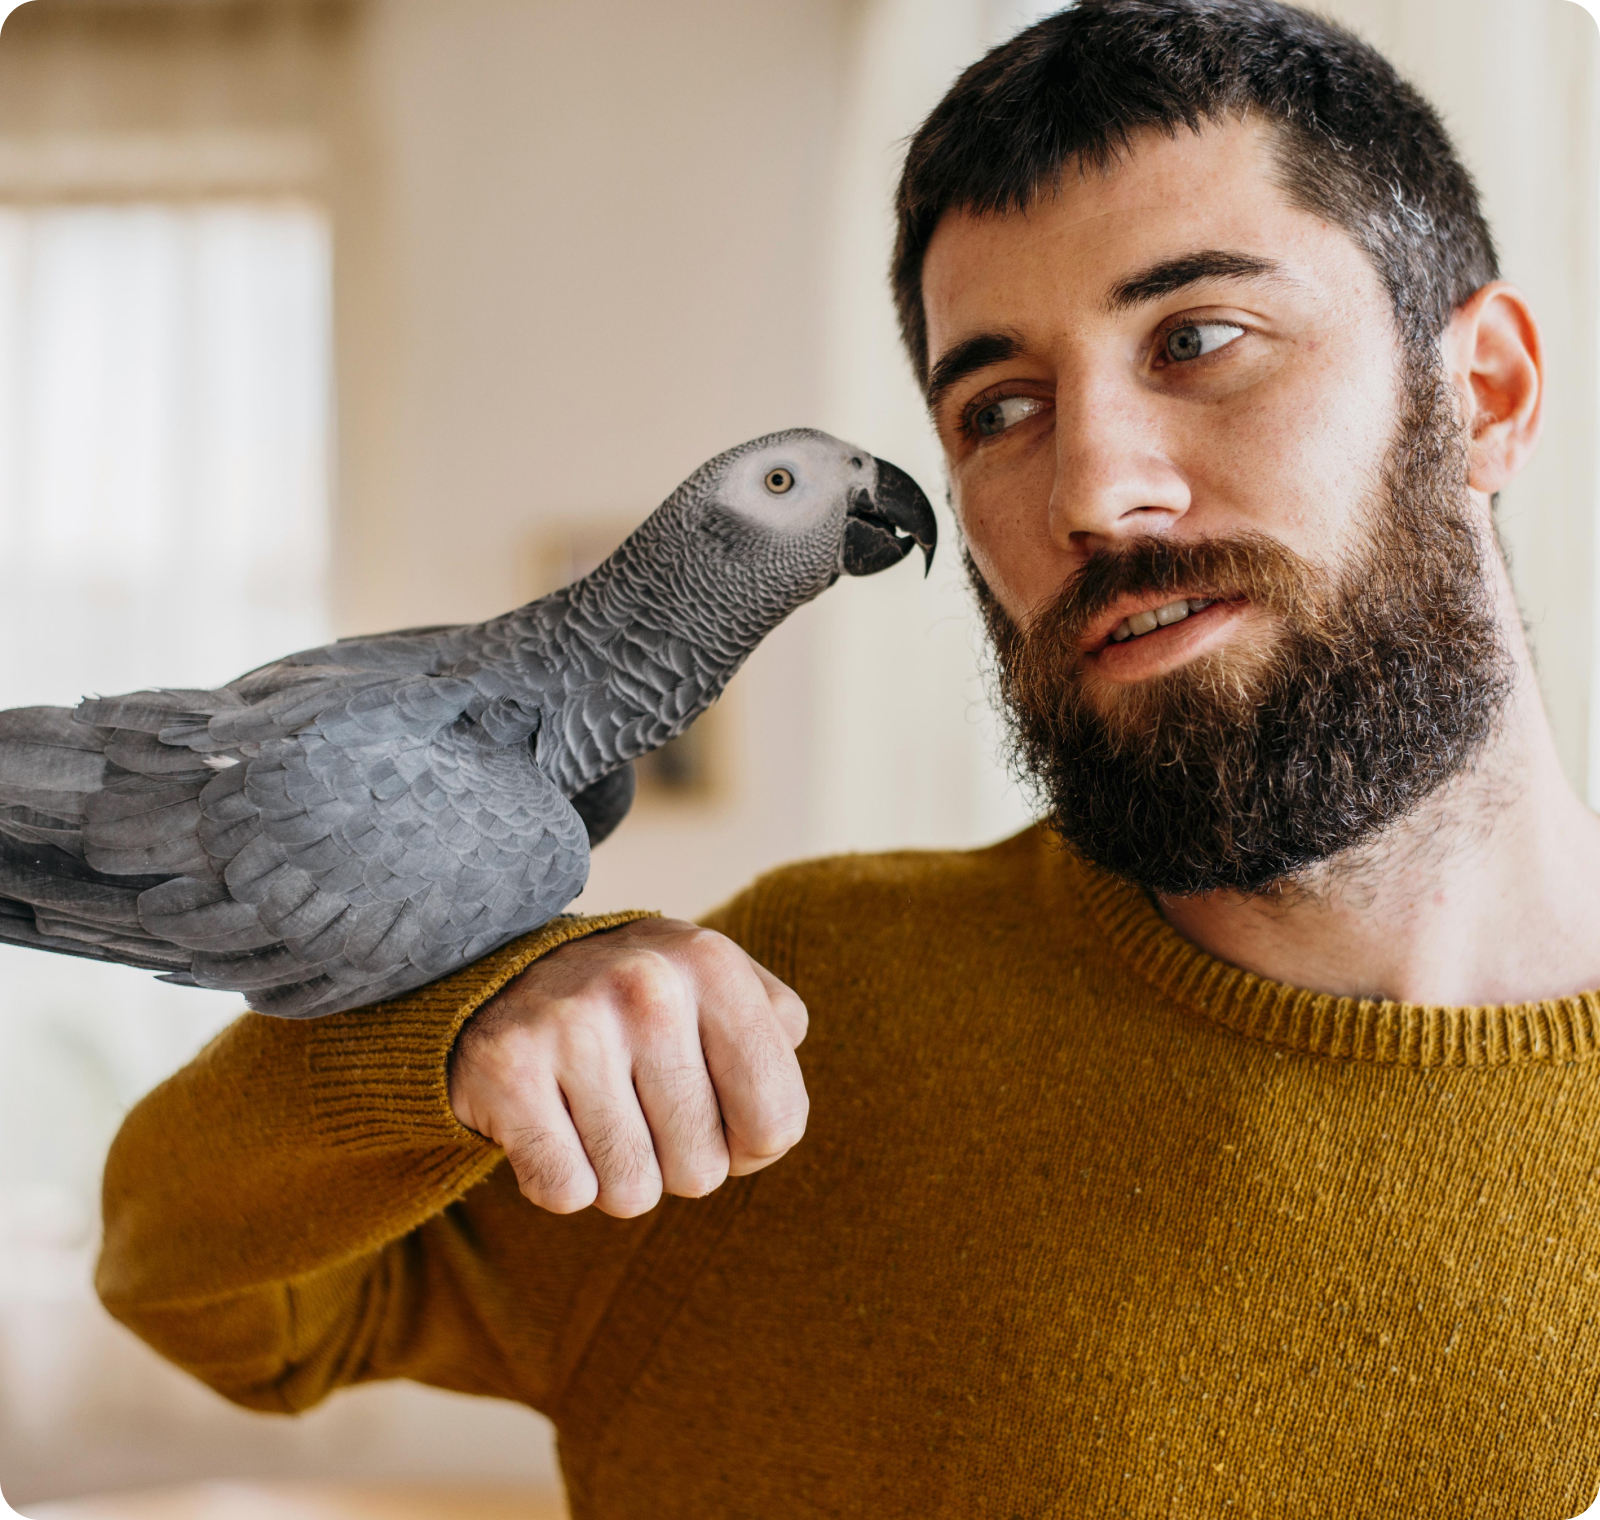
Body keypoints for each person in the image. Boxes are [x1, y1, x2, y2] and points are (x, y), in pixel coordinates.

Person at [97, 1, 1600, 1515]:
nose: (1092, 487)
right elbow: (191, 1288)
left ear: (1486, 394)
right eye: (999, 407)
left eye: (1199, 339)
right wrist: (443, 1044)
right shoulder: (798, 1009)